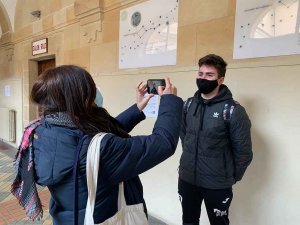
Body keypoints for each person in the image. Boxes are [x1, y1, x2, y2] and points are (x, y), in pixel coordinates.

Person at [12, 65, 183, 225]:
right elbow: (162, 143)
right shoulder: (99, 148)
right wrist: (170, 101)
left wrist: (137, 109)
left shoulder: (43, 130)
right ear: (80, 98)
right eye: (91, 89)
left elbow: (96, 137)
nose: (95, 93)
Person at [178, 54, 253, 225]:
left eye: (209, 75)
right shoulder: (188, 105)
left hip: (217, 184)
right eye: (200, 74)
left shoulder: (233, 111)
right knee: (188, 221)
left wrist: (230, 177)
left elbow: (244, 153)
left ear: (220, 79)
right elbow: (185, 137)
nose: (203, 78)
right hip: (187, 179)